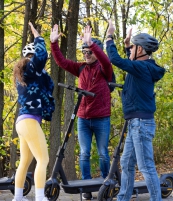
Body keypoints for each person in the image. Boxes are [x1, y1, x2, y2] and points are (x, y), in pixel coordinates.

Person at [50, 24, 113, 200]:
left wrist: (92, 44)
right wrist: (54, 43)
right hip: (83, 118)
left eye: (89, 52)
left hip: (101, 118)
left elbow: (106, 61)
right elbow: (62, 62)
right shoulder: (80, 68)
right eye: (84, 52)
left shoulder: (104, 69)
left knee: (102, 153)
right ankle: (86, 187)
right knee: (84, 153)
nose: (86, 55)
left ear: (97, 51)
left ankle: (106, 184)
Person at [105, 19, 165, 201]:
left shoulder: (141, 67)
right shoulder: (143, 67)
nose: (130, 49)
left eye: (132, 48)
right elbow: (130, 62)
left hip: (140, 124)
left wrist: (109, 35)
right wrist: (126, 46)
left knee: (146, 165)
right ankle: (123, 197)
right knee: (126, 162)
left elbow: (115, 59)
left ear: (139, 50)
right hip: (136, 123)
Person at [12, 22, 55, 201]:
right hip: (29, 121)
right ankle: (39, 197)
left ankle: (18, 198)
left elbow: (47, 87)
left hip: (24, 121)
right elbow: (42, 55)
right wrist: (39, 37)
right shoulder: (31, 68)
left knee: (25, 162)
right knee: (43, 159)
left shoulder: (25, 74)